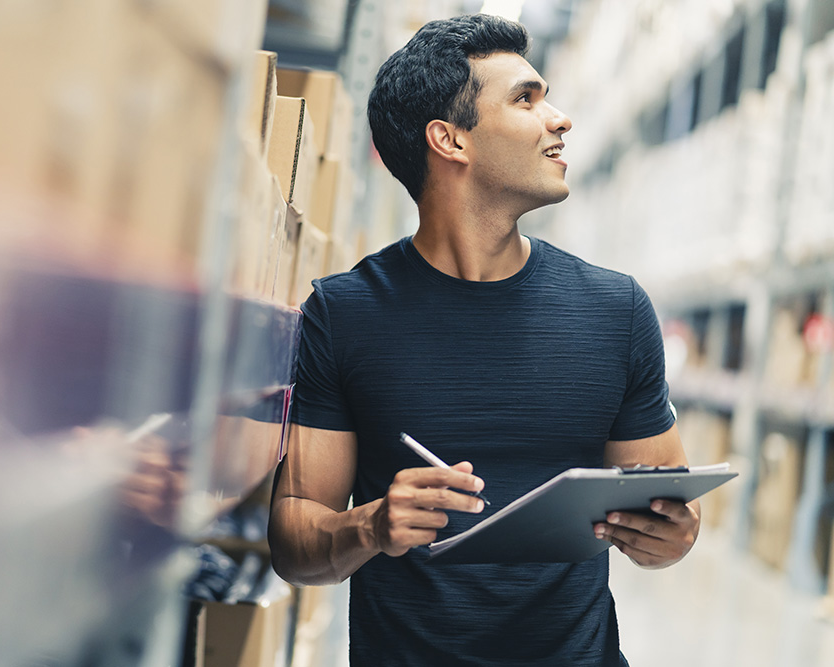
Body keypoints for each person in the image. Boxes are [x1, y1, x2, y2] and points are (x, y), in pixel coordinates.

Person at [267, 13, 699, 667]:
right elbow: (295, 539)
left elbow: (668, 516)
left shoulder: (617, 310)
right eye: (526, 99)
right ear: (450, 139)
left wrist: (670, 535)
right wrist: (372, 523)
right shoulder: (344, 312)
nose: (560, 119)